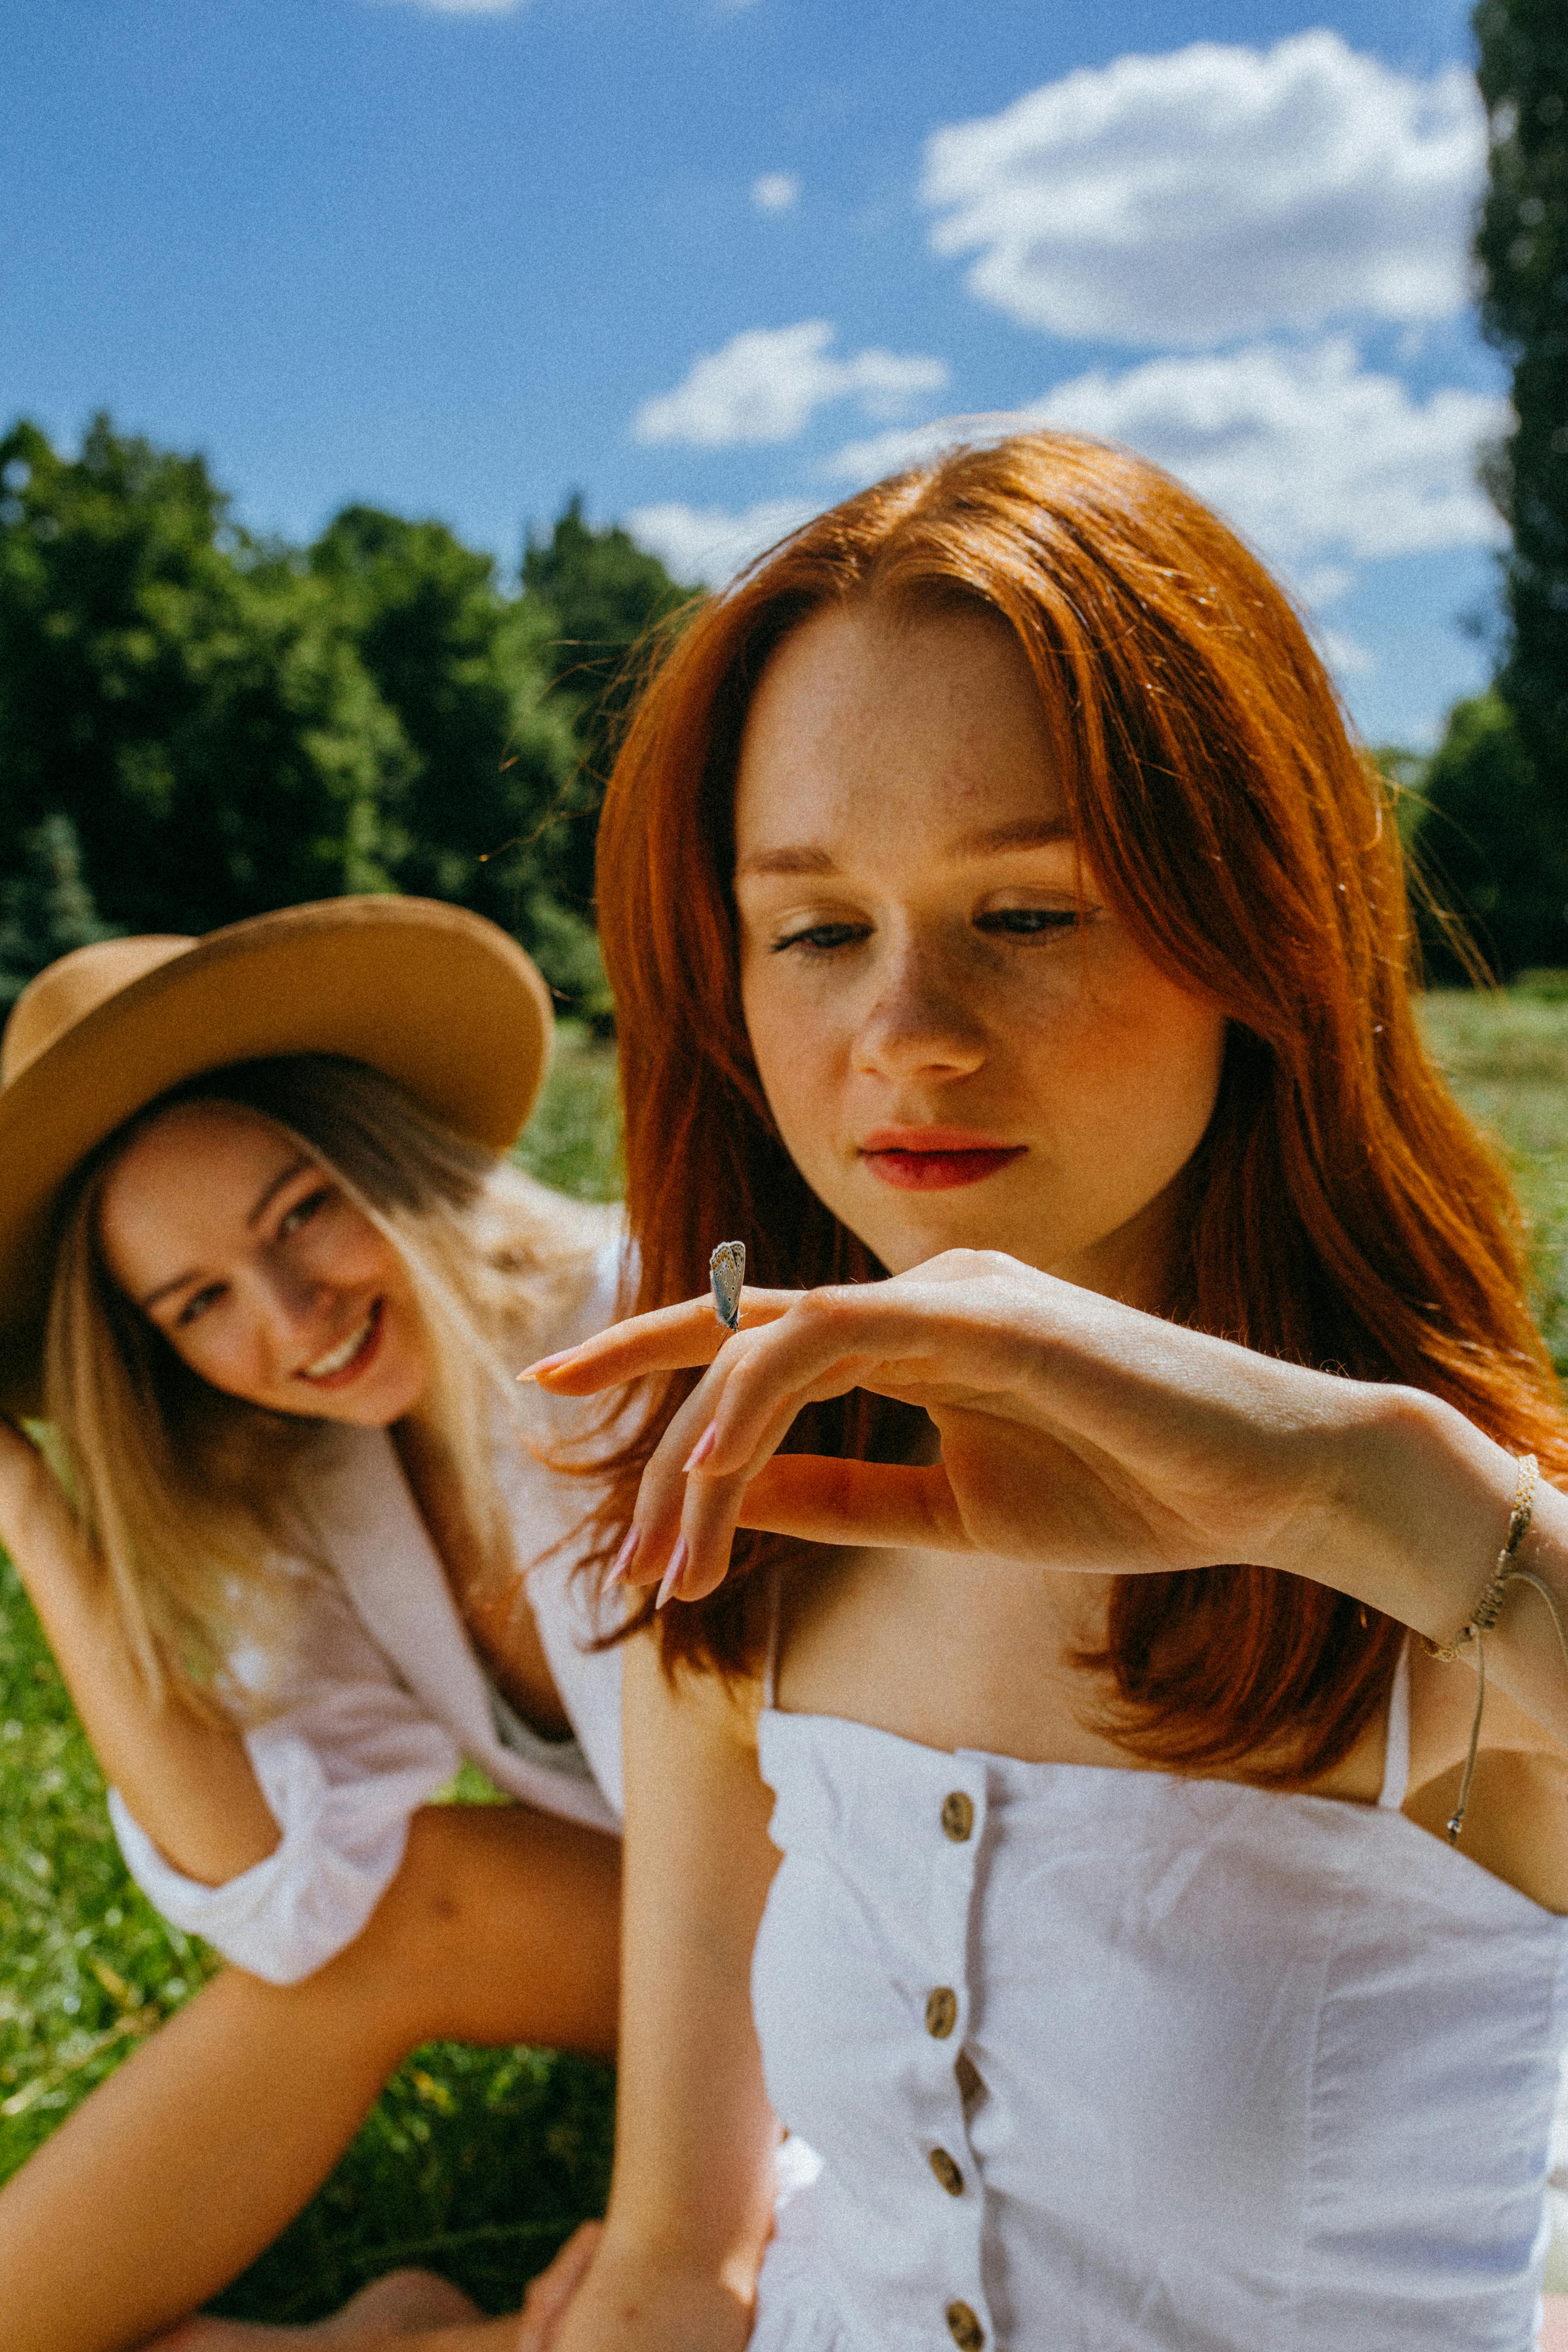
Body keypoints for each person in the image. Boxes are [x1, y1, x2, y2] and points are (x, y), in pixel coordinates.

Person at [511, 432, 1568, 2351]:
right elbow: (681, 2252)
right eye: (816, 929)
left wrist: (1371, 1501)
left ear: (1266, 932)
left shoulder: (1474, 1584)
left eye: (1030, 913)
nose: (906, 1034)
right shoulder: (758, 1533)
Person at [0, 897, 627, 2352]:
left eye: (301, 1215)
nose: (293, 1319)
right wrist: (33, 1515)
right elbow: (293, 1905)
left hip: (920, 1946)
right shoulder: (328, 1466)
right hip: (701, 1951)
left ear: (382, 1150)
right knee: (390, 1913)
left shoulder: (646, 1331)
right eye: (200, 1305)